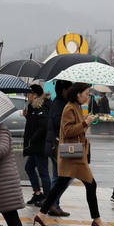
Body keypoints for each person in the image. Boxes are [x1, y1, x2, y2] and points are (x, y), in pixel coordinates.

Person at [34, 82, 114, 226]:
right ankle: (97, 220)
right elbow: (67, 131)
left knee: (60, 183)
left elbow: (77, 129)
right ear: (77, 94)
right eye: (86, 93)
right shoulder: (69, 107)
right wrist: (85, 122)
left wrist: (86, 122)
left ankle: (41, 214)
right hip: (73, 156)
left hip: (75, 154)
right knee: (91, 184)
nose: (87, 97)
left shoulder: (76, 106)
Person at [43, 79, 73, 217]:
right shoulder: (61, 104)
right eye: (70, 89)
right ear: (64, 91)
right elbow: (61, 125)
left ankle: (54, 204)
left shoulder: (60, 103)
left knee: (59, 176)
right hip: (58, 146)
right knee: (64, 177)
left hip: (56, 145)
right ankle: (52, 203)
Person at [23, 84, 51, 207]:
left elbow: (44, 126)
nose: (27, 96)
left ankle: (48, 199)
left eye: (28, 94)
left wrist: (33, 139)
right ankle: (38, 193)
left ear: (34, 95)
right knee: (29, 168)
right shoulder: (34, 107)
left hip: (40, 146)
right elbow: (34, 123)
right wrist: (27, 115)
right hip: (35, 146)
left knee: (43, 173)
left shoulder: (41, 107)